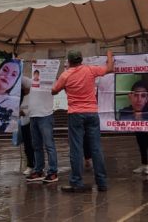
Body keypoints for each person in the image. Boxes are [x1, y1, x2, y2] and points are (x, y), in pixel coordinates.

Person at [52, 50, 114, 192]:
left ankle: (76, 182)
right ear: (81, 60)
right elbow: (110, 68)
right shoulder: (90, 69)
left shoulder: (65, 74)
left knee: (76, 149)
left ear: (69, 61)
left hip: (75, 114)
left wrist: (65, 85)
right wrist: (109, 56)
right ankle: (102, 183)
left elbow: (54, 91)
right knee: (96, 148)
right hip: (92, 113)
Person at [25, 66, 59, 184]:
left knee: (49, 145)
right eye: (35, 73)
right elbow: (21, 79)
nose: (36, 76)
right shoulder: (31, 82)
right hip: (33, 116)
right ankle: (38, 170)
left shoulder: (51, 83)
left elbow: (57, 89)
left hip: (45, 116)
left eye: (38, 74)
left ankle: (53, 171)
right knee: (36, 146)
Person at [119, 81, 148, 175]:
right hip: (138, 127)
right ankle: (144, 164)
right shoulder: (125, 111)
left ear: (147, 98)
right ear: (131, 96)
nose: (139, 99)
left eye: (143, 96)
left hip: (147, 127)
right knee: (141, 143)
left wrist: (137, 111)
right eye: (136, 95)